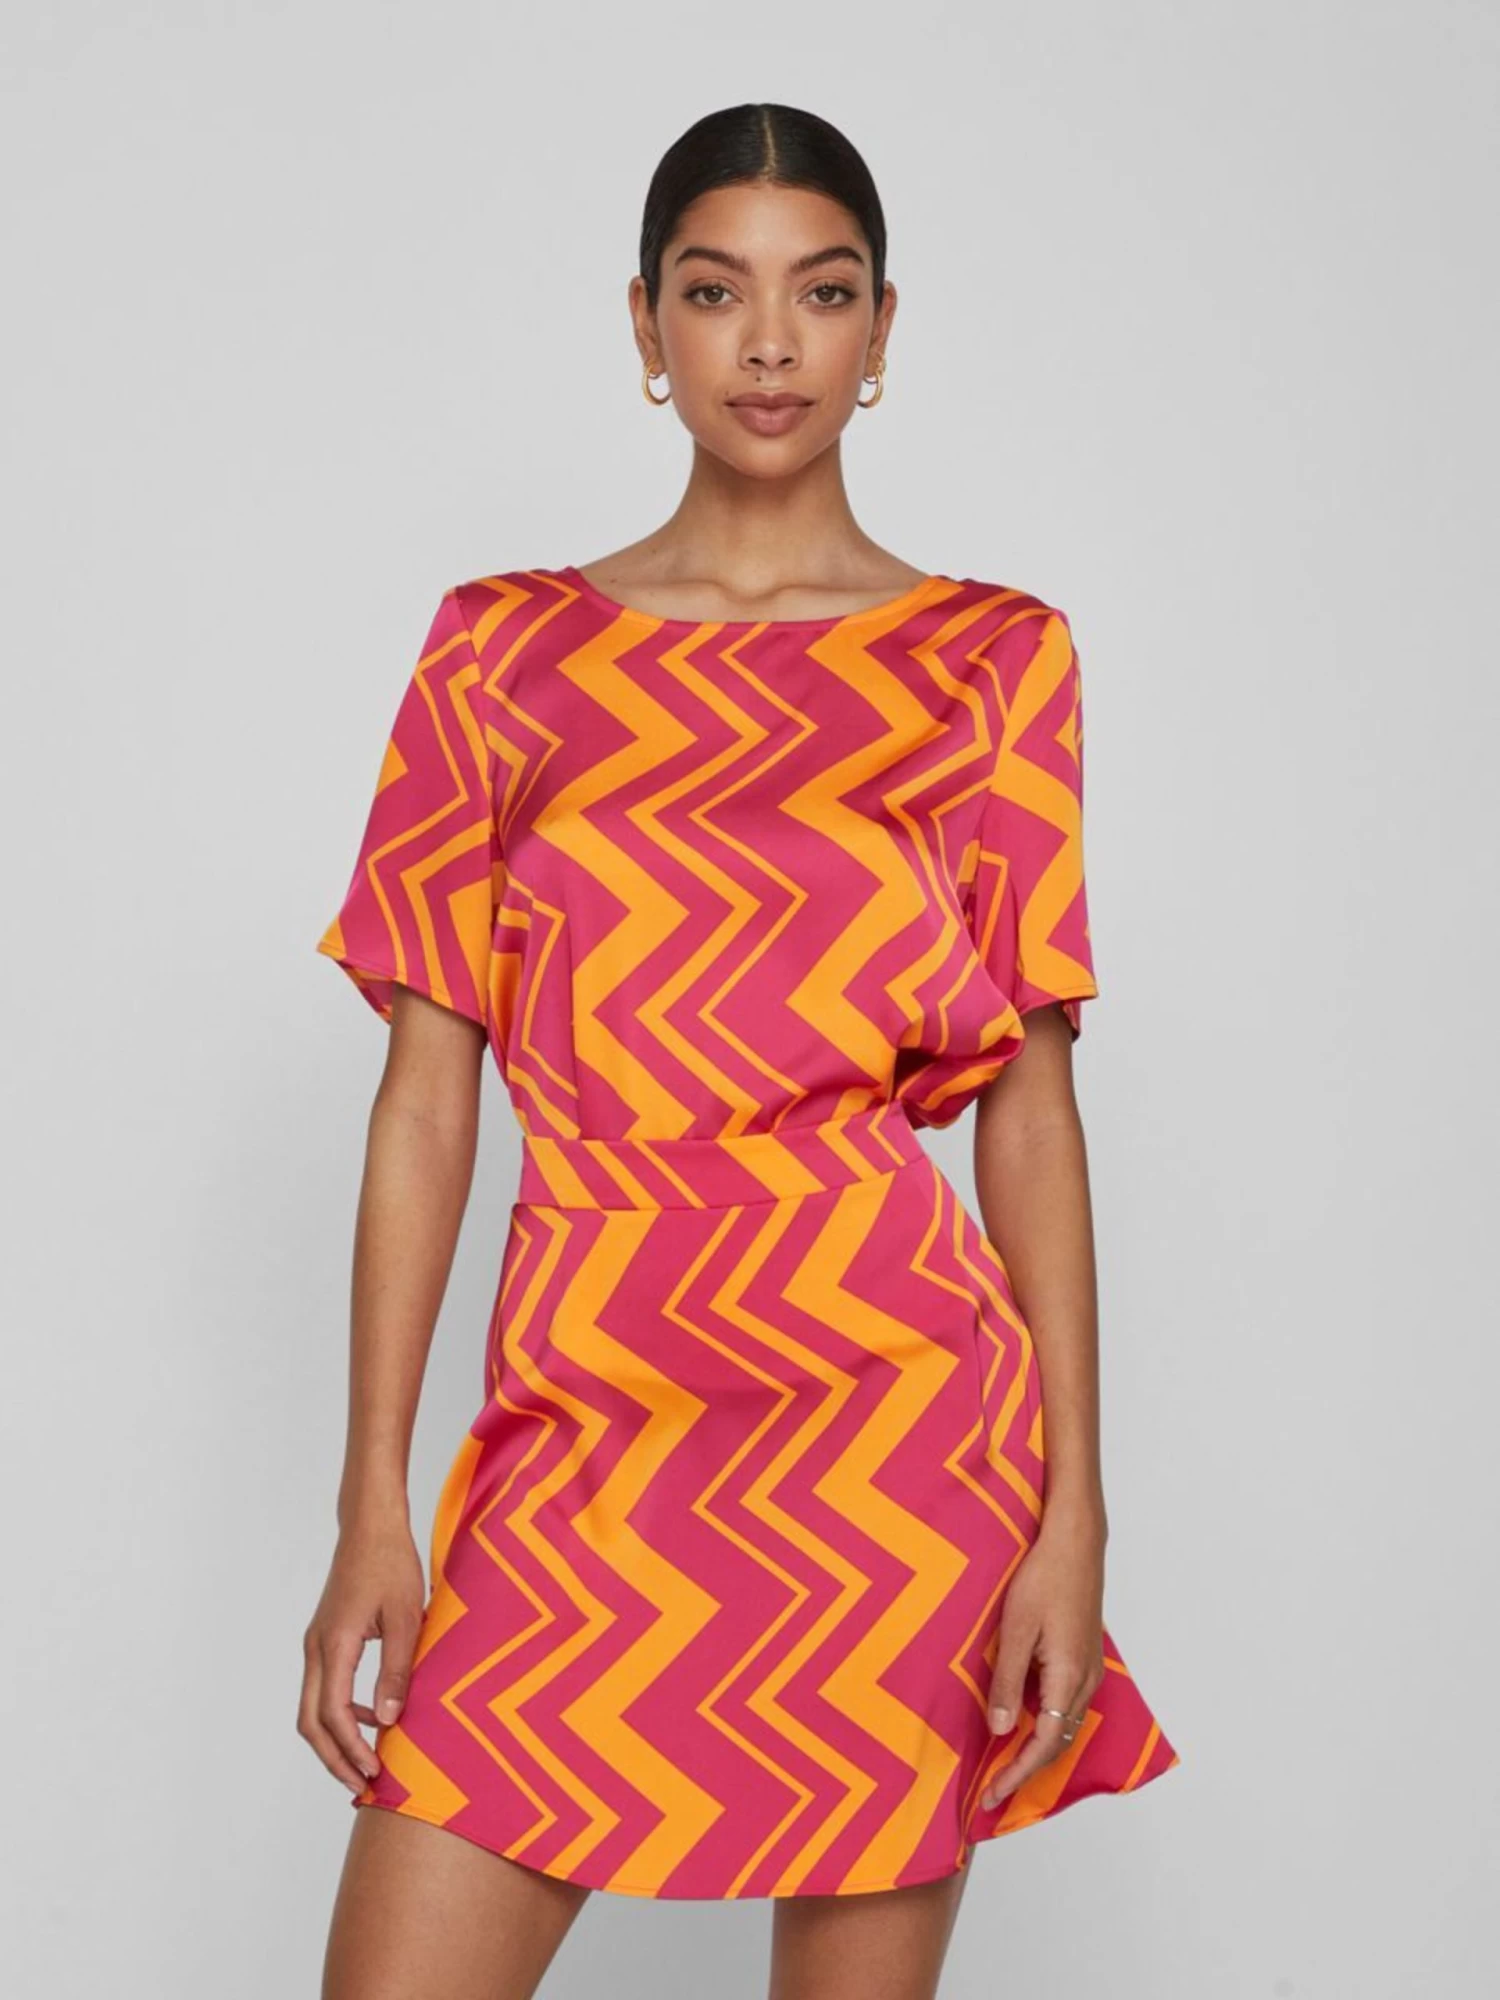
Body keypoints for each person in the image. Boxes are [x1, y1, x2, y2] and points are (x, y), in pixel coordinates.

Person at [301, 100, 1179, 2000]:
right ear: (646, 326)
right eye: (715, 293)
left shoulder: (992, 661)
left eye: (822, 293)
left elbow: (1032, 1116)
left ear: (882, 329)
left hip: (897, 1438)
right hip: (581, 1402)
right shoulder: (499, 653)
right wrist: (374, 1494)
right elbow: (425, 1103)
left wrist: (1076, 1515)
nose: (770, 344)